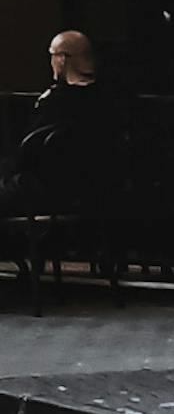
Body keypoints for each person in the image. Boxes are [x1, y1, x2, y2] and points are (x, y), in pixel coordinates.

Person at [11, 28, 112, 294]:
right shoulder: (106, 97)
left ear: (63, 60)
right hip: (94, 188)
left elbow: (27, 155)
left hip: (46, 191)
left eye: (53, 55)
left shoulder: (57, 102)